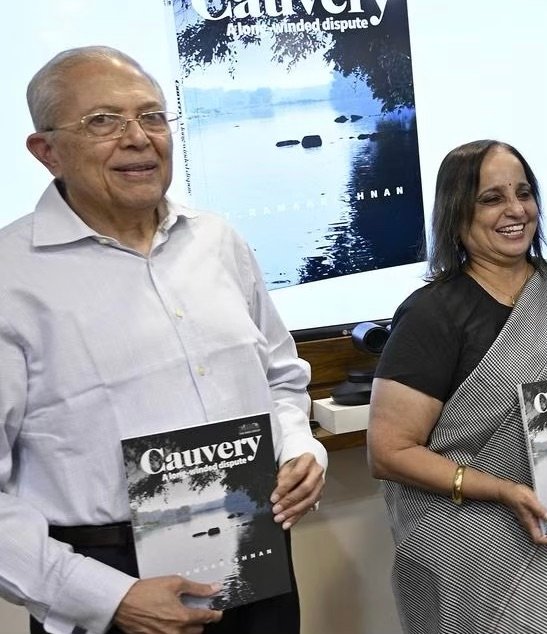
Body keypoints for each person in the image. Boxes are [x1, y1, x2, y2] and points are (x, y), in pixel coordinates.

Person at [0, 47, 327, 634]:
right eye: (103, 121)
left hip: (255, 557)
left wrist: (301, 446)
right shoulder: (11, 278)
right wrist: (106, 597)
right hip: (110, 585)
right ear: (46, 151)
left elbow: (280, 375)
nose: (138, 138)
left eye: (152, 116)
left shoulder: (217, 241)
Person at [367, 140, 547, 633]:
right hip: (469, 559)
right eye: (492, 198)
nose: (516, 210)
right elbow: (388, 451)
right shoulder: (432, 314)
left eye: (524, 193)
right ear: (457, 212)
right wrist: (504, 490)